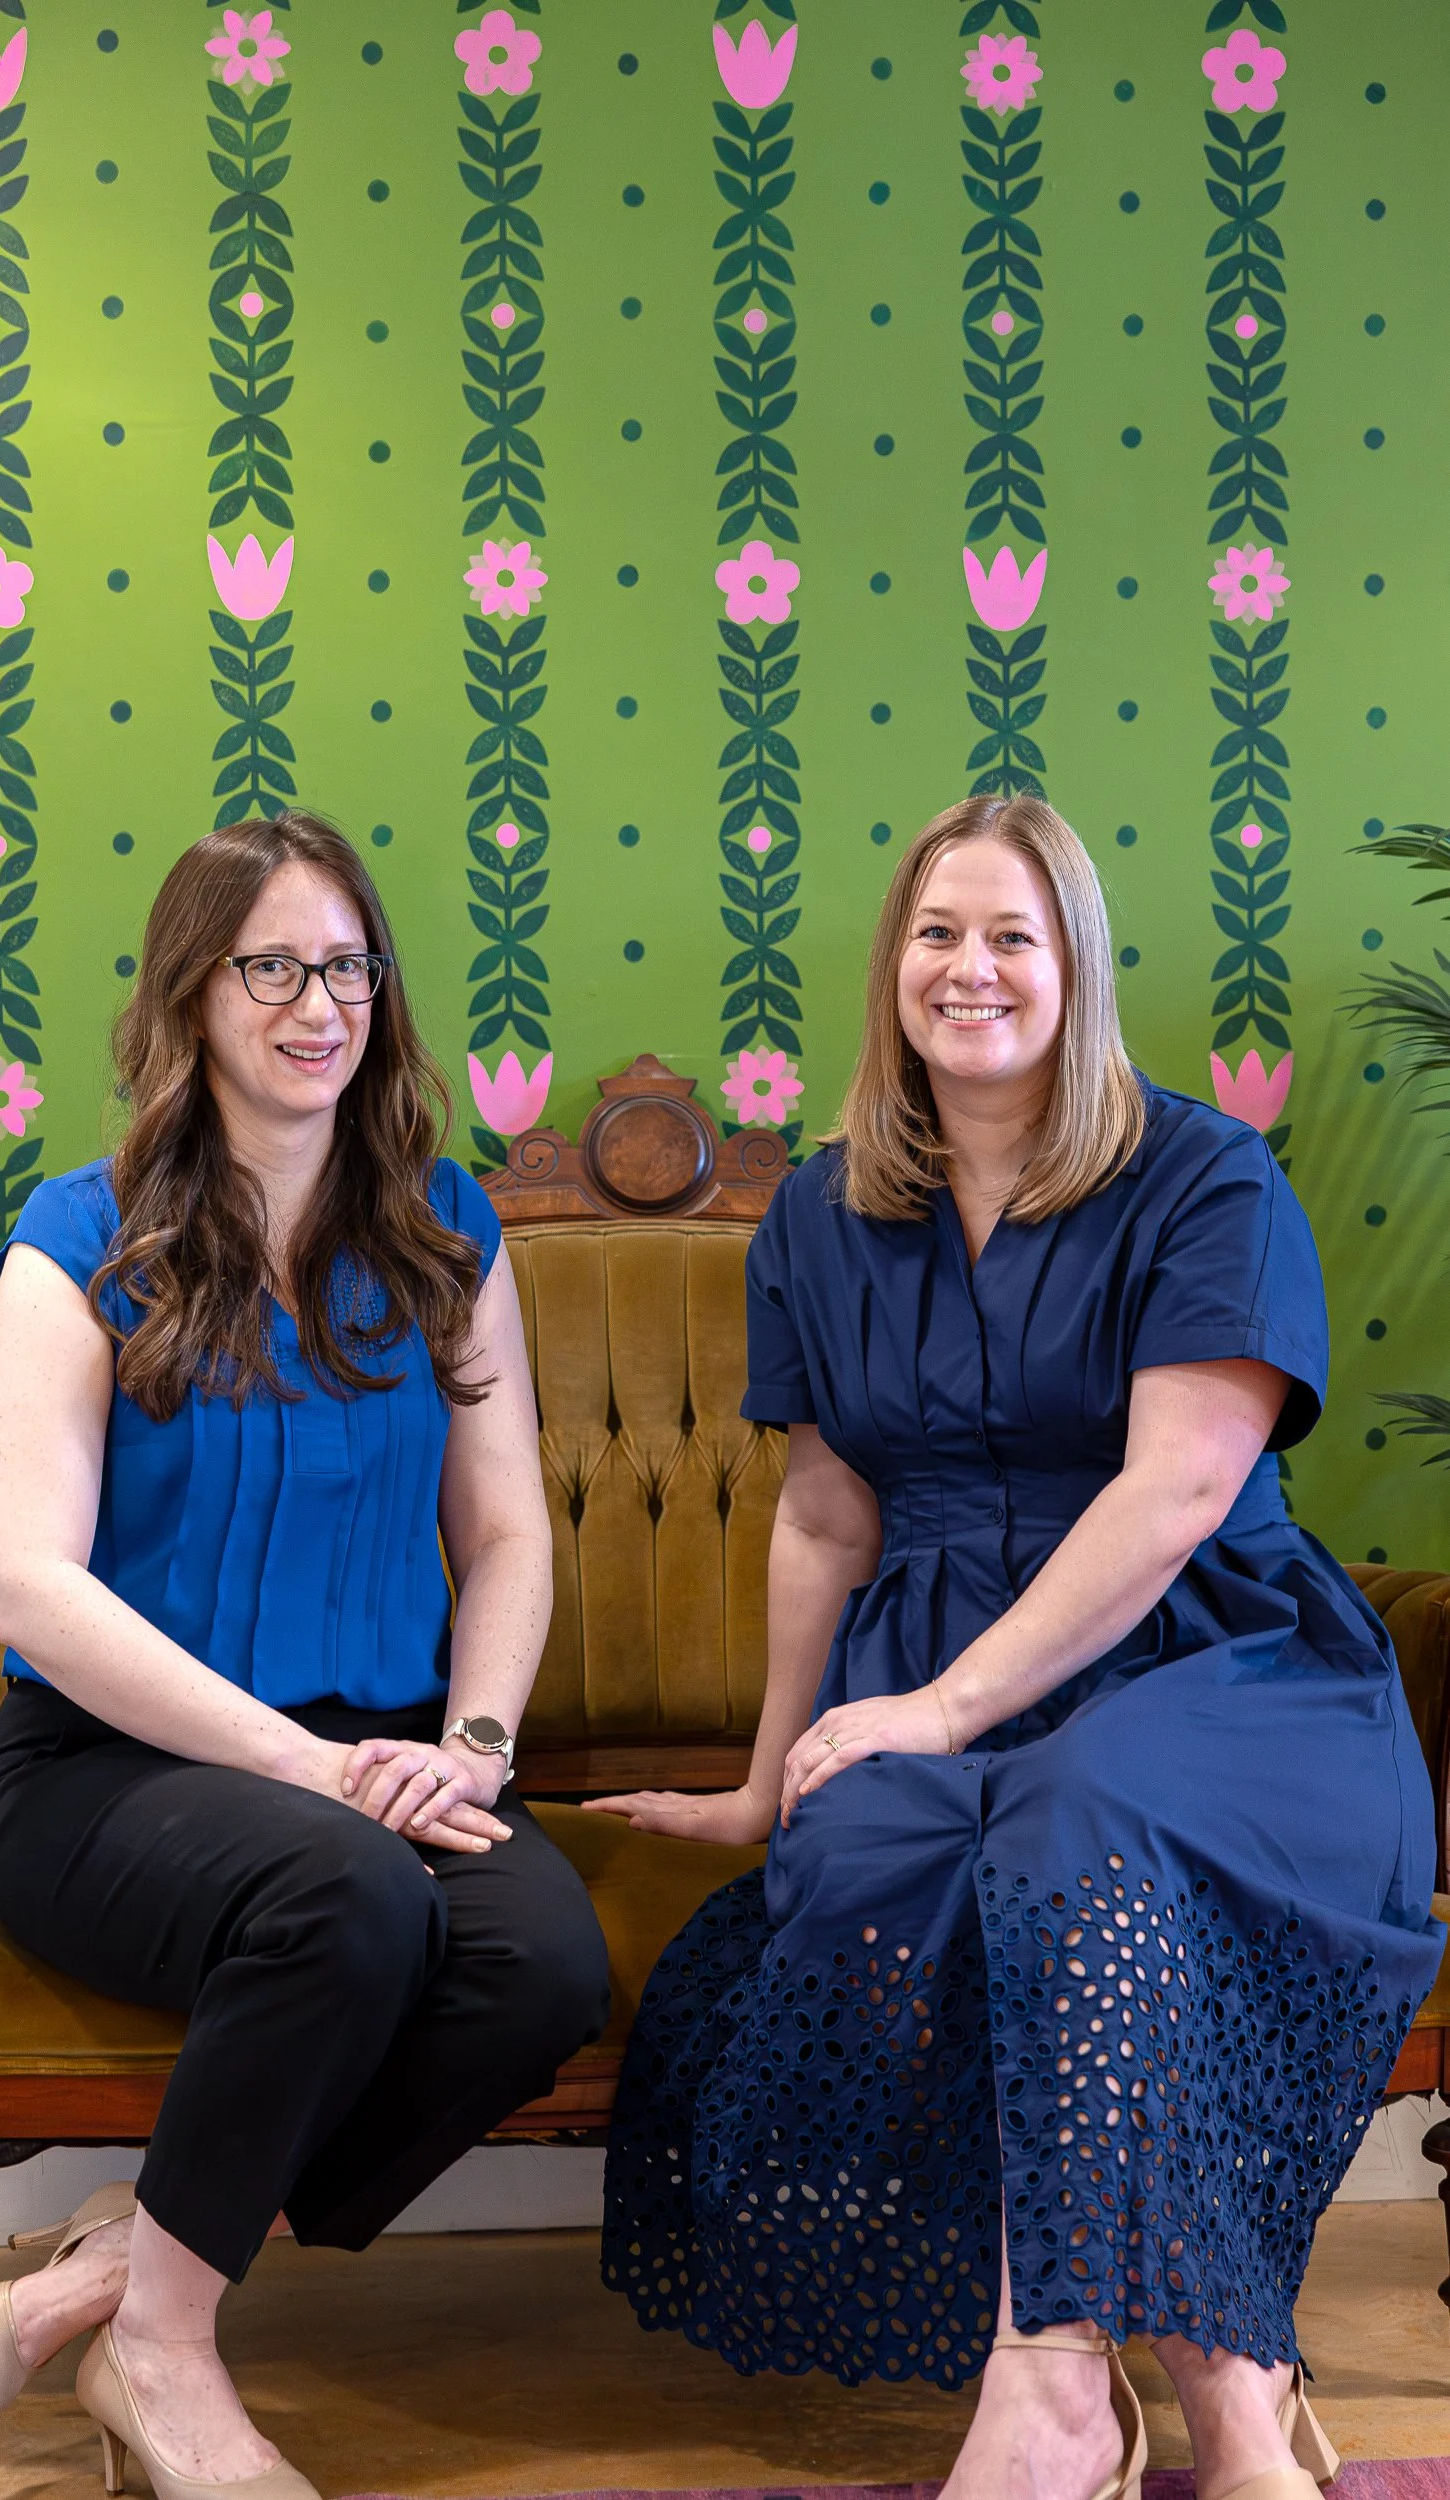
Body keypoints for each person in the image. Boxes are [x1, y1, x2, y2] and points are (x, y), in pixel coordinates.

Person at [591, 796, 1443, 2500]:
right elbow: (828, 1521)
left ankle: (1052, 2385)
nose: (965, 969)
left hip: (1219, 1666)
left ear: (1077, 968)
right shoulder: (820, 1215)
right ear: (887, 968)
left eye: (1009, 937)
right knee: (872, 1850)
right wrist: (775, 1775)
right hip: (933, 1665)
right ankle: (1233, 2395)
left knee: (1071, 1823)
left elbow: (1176, 1490)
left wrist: (941, 1705)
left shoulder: (1206, 1175)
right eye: (934, 933)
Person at [0, 810, 609, 2500]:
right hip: (107, 1774)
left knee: (541, 1965)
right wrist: (313, 1771)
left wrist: (470, 1743)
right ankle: (167, 2366)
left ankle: (130, 2266)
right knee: (351, 1893)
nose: (317, 1003)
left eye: (348, 966)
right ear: (192, 996)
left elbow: (506, 1534)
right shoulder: (77, 1236)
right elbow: (25, 1585)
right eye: (271, 966)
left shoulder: (443, 1230)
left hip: (383, 1749)